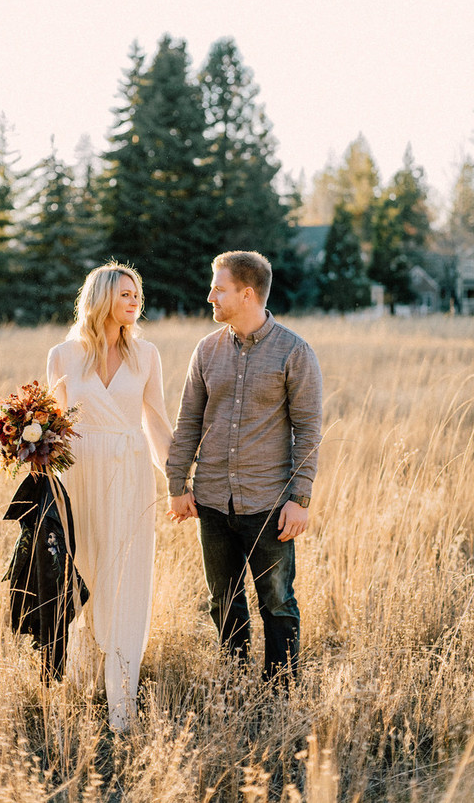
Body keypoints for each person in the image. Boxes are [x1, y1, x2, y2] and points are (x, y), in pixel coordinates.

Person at [167, 250, 322, 682]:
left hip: (269, 504)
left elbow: (308, 432)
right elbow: (188, 422)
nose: (210, 296)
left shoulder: (294, 352)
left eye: (219, 289)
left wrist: (300, 499)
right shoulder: (206, 350)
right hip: (213, 501)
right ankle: (234, 686)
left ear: (247, 294)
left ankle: (279, 694)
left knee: (278, 602)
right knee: (223, 602)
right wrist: (177, 485)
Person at [47, 261, 172, 728]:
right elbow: (52, 427)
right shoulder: (63, 355)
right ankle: (82, 690)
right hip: (79, 473)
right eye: (125, 293)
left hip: (130, 470)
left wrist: (178, 482)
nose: (135, 301)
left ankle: (123, 700)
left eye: (137, 294)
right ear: (101, 298)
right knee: (81, 572)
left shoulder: (147, 355)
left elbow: (156, 421)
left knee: (125, 577)